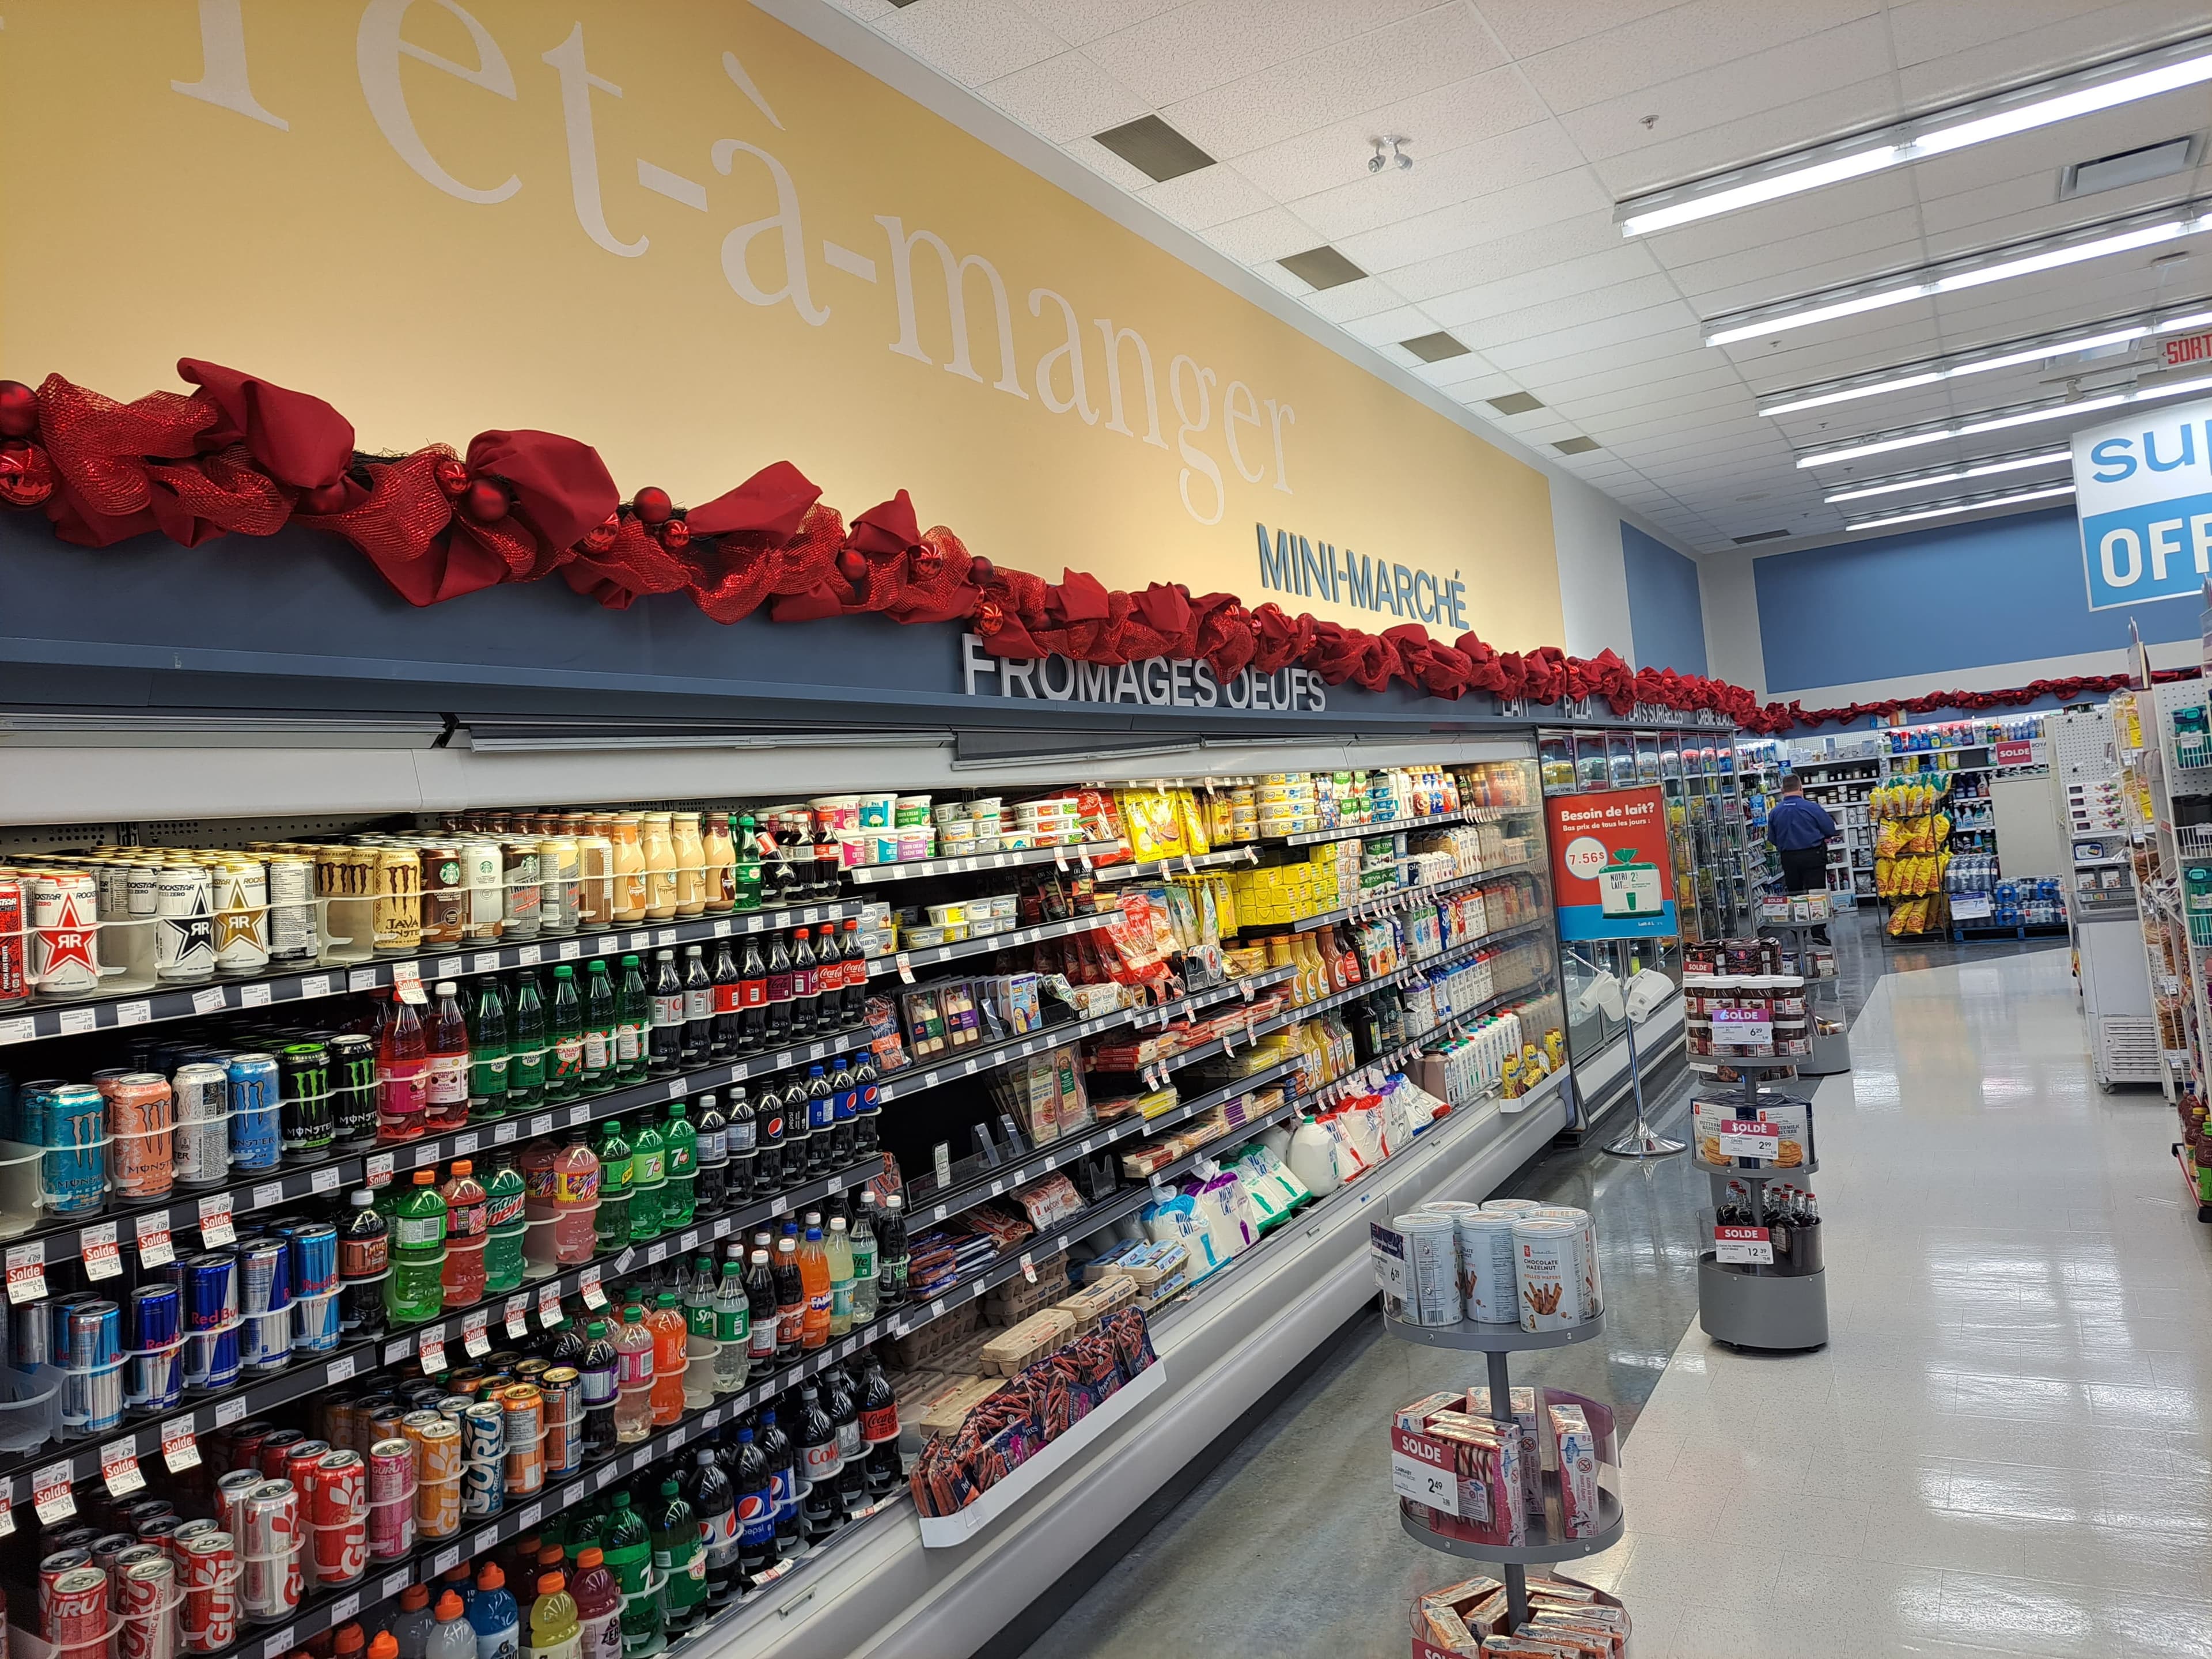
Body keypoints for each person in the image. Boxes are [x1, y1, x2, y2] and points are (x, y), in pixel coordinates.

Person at [1767, 777, 1838, 896]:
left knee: (1795, 894)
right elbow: (1830, 830)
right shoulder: (1813, 808)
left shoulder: (1775, 812)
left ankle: (1799, 914)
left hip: (1789, 858)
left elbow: (1772, 839)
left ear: (1782, 790)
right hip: (1813, 856)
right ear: (1801, 788)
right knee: (1817, 894)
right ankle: (1818, 914)